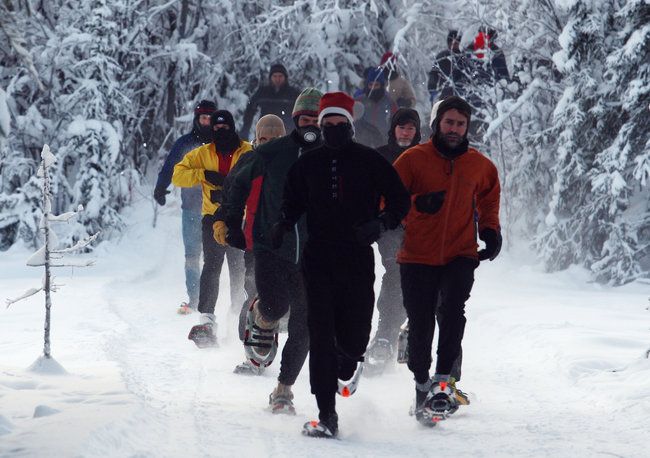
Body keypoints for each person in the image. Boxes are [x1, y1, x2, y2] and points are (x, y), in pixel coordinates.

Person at [274, 92, 410, 438]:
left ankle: (350, 360)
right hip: (317, 261)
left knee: (354, 335)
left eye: (340, 124)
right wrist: (282, 224)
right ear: (321, 127)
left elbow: (400, 200)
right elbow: (291, 201)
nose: (334, 129)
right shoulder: (307, 164)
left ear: (349, 126)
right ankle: (326, 414)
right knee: (320, 335)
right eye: (328, 125)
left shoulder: (369, 161)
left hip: (357, 259)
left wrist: (380, 224)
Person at [392, 96, 501, 426]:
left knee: (453, 312)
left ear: (468, 127)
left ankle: (443, 381)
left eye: (461, 124)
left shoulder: (479, 165)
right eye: (449, 122)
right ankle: (421, 384)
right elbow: (388, 200)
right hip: (417, 256)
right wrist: (418, 203)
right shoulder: (413, 160)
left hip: (460, 253)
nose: (454, 129)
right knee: (421, 322)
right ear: (437, 123)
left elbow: (488, 198)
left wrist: (492, 231)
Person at [218, 89, 323, 414]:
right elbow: (237, 182)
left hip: (311, 254)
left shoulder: (334, 156)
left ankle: (283, 390)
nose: (312, 125)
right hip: (269, 246)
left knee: (305, 323)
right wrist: (229, 220)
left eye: (317, 120)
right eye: (306, 119)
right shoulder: (274, 152)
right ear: (296, 119)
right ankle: (261, 314)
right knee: (277, 307)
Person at [172, 110, 253, 347]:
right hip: (211, 216)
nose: (220, 132)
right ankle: (207, 320)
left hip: (242, 216)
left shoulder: (248, 151)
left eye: (224, 127)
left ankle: (237, 316)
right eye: (216, 129)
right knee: (212, 265)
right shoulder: (203, 153)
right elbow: (178, 175)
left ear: (233, 127)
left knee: (239, 268)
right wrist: (204, 174)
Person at [215, 113, 287, 376]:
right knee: (255, 290)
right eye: (263, 138)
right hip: (255, 240)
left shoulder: (293, 160)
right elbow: (230, 194)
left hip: (289, 240)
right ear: (256, 139)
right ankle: (252, 354)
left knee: (289, 295)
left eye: (275, 138)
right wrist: (224, 221)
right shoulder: (249, 160)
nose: (268, 143)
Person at [364, 108, 421, 375]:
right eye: (402, 127)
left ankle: (407, 333)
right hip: (389, 225)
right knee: (397, 271)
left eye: (411, 128)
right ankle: (384, 336)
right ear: (393, 129)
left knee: (416, 278)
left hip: (421, 228)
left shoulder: (426, 157)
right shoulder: (379, 156)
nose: (406, 133)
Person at [154, 100, 218, 314]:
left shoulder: (221, 143)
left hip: (217, 209)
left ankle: (221, 296)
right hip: (191, 208)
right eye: (203, 118)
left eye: (210, 118)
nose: (206, 122)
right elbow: (170, 166)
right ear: (197, 119)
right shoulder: (184, 143)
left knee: (216, 256)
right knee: (192, 255)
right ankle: (195, 298)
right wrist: (161, 188)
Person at [240, 63, 301, 140]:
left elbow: (302, 112)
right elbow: (250, 108)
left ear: (285, 78)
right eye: (275, 76)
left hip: (287, 134)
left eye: (280, 76)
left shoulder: (293, 93)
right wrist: (245, 129)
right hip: (265, 134)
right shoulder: (263, 92)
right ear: (270, 77)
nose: (277, 79)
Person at [354, 68, 397, 148]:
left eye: (376, 85)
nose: (373, 88)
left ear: (381, 85)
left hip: (383, 142)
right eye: (371, 84)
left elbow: (396, 122)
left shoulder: (389, 102)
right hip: (361, 142)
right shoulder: (359, 101)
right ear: (367, 85)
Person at [427, 30, 472, 103]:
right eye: (452, 42)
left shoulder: (466, 56)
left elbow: (472, 73)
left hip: (465, 93)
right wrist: (432, 87)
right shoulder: (442, 57)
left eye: (456, 42)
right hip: (446, 93)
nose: (454, 45)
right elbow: (434, 73)